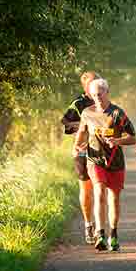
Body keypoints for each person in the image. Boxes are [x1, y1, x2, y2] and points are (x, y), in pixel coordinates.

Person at [73, 78, 136, 251]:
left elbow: (132, 137)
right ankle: (100, 234)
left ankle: (113, 234)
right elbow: (82, 131)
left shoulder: (117, 113)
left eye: (100, 94)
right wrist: (76, 147)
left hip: (115, 162)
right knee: (99, 191)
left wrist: (117, 141)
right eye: (93, 95)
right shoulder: (87, 113)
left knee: (114, 198)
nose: (97, 98)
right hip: (95, 160)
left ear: (107, 92)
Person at [61, 71, 98, 244]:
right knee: (87, 189)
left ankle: (101, 228)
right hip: (82, 151)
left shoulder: (103, 100)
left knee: (101, 190)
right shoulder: (78, 103)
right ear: (84, 86)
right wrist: (84, 125)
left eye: (96, 82)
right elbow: (66, 122)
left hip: (100, 151)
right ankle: (88, 225)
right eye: (91, 83)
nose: (94, 86)